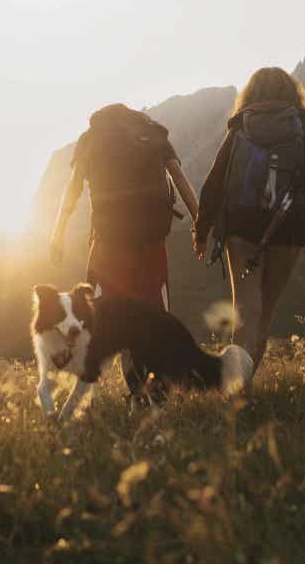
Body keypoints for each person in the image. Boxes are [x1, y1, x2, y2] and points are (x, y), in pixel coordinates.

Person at [192, 67, 305, 376]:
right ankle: (244, 383)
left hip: (240, 226)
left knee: (246, 308)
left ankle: (236, 388)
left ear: (250, 94)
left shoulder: (241, 125)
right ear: (293, 93)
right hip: (287, 227)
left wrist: (201, 231)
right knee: (264, 312)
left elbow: (213, 181)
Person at [50, 104, 199, 394]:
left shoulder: (92, 138)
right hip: (151, 245)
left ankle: (134, 388)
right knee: (154, 316)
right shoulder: (153, 135)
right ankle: (155, 386)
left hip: (107, 247)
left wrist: (58, 233)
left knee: (112, 317)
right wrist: (199, 224)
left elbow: (73, 187)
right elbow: (179, 179)